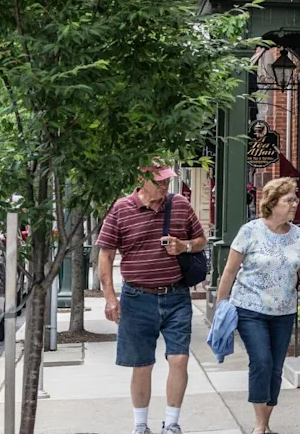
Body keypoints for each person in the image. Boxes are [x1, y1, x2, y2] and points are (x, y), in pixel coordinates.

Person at [216, 177, 300, 434]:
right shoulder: (250, 231)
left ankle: (265, 423)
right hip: (250, 308)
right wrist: (220, 305)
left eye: (296, 199)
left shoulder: (299, 235)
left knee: (276, 366)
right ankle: (260, 426)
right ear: (272, 203)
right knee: (261, 361)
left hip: (284, 311)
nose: (295, 204)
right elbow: (229, 270)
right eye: (289, 199)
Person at [97, 163, 208, 434]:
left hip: (176, 295)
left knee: (179, 359)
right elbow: (106, 255)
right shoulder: (121, 209)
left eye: (167, 180)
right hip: (137, 298)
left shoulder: (180, 205)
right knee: (142, 364)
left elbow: (201, 240)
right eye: (158, 180)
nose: (164, 185)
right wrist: (110, 297)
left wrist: (185, 246)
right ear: (140, 179)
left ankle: (171, 424)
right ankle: (140, 426)